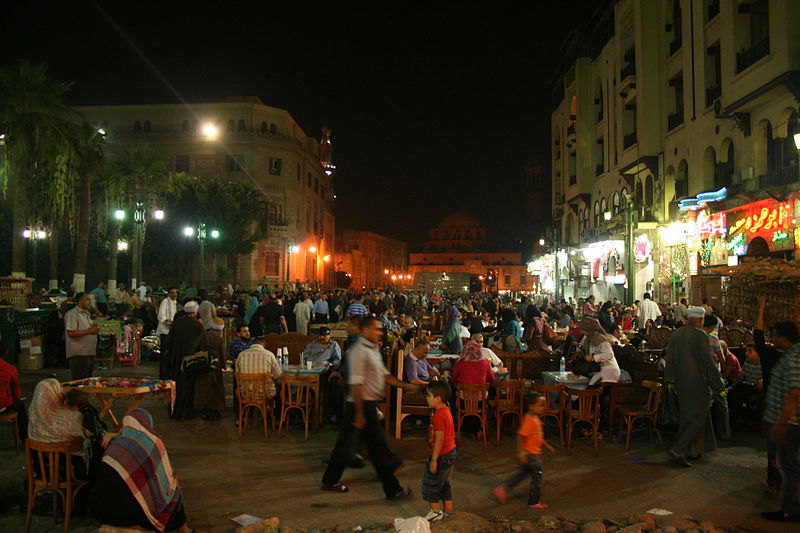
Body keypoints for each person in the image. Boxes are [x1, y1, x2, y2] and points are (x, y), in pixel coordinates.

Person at [321, 316, 418, 499]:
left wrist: (406, 386)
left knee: (358, 445)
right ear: (364, 330)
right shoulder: (358, 351)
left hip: (366, 404)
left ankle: (331, 479)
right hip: (360, 404)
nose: (379, 332)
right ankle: (393, 487)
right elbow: (356, 384)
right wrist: (359, 413)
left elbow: (385, 375)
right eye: (375, 329)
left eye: (380, 329)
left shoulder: (372, 348)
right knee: (375, 447)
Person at [89, 409, 205, 533]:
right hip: (133, 514)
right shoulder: (152, 441)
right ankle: (185, 531)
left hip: (101, 511)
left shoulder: (115, 442)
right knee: (173, 488)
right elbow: (166, 477)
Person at [664, 306, 724, 467]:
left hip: (680, 382)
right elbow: (708, 362)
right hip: (697, 382)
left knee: (687, 417)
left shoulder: (676, 334)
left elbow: (669, 359)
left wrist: (669, 380)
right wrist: (718, 384)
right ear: (699, 320)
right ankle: (679, 448)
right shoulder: (701, 335)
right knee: (699, 415)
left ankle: (694, 450)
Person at [761, 321, 800, 522]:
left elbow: (794, 393)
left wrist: (782, 423)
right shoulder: (791, 355)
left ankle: (792, 509)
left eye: (774, 335)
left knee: (789, 467)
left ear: (784, 337)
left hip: (790, 423)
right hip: (788, 421)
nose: (772, 339)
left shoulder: (794, 357)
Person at [492, 392, 555, 509]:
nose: (543, 408)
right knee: (537, 476)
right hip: (532, 455)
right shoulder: (529, 420)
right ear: (531, 406)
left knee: (522, 474)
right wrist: (521, 453)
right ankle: (534, 501)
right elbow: (520, 436)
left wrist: (546, 445)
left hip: (531, 453)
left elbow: (537, 436)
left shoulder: (534, 418)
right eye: (541, 405)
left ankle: (503, 488)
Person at [422, 381, 456, 522]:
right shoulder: (445, 410)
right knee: (444, 483)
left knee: (431, 483)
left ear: (438, 398)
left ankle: (436, 511)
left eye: (429, 396)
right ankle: (448, 510)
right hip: (450, 453)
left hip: (442, 455)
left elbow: (439, 439)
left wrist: (434, 460)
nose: (426, 398)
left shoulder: (438, 415)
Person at [165, 301, 206, 420]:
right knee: (188, 387)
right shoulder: (197, 326)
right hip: (190, 361)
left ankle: (174, 410)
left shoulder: (177, 323)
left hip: (176, 359)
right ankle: (186, 412)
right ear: (194, 312)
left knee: (176, 385)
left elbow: (169, 342)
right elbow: (202, 345)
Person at [195, 317, 226, 421]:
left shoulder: (203, 335)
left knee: (204, 388)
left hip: (204, 365)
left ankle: (205, 409)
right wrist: (224, 365)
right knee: (216, 388)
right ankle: (216, 409)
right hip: (216, 367)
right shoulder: (219, 338)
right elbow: (222, 353)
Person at [64, 292, 101, 380]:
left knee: (87, 381)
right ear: (80, 300)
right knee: (80, 381)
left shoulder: (86, 314)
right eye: (87, 299)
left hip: (88, 353)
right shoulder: (72, 314)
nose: (90, 302)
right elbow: (71, 333)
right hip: (79, 354)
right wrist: (89, 331)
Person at [235, 336, 282, 400]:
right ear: (264, 344)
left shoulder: (241, 355)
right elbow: (278, 375)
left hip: (245, 394)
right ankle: (272, 409)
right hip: (264, 394)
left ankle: (247, 409)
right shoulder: (269, 355)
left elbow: (238, 374)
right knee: (279, 387)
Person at [578, 317, 620, 386]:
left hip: (609, 369)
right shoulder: (589, 338)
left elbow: (609, 354)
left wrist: (593, 358)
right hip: (599, 368)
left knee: (590, 387)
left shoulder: (600, 338)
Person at [0, 340, 27, 440]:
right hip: (2, 405)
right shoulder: (10, 368)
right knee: (20, 407)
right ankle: (25, 439)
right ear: (6, 352)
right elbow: (16, 392)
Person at [157, 287, 179, 351]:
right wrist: (169, 321)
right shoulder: (165, 302)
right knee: (165, 349)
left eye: (175, 293)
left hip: (171, 329)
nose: (174, 295)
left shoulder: (175, 302)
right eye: (172, 293)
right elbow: (161, 315)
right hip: (165, 330)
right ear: (168, 294)